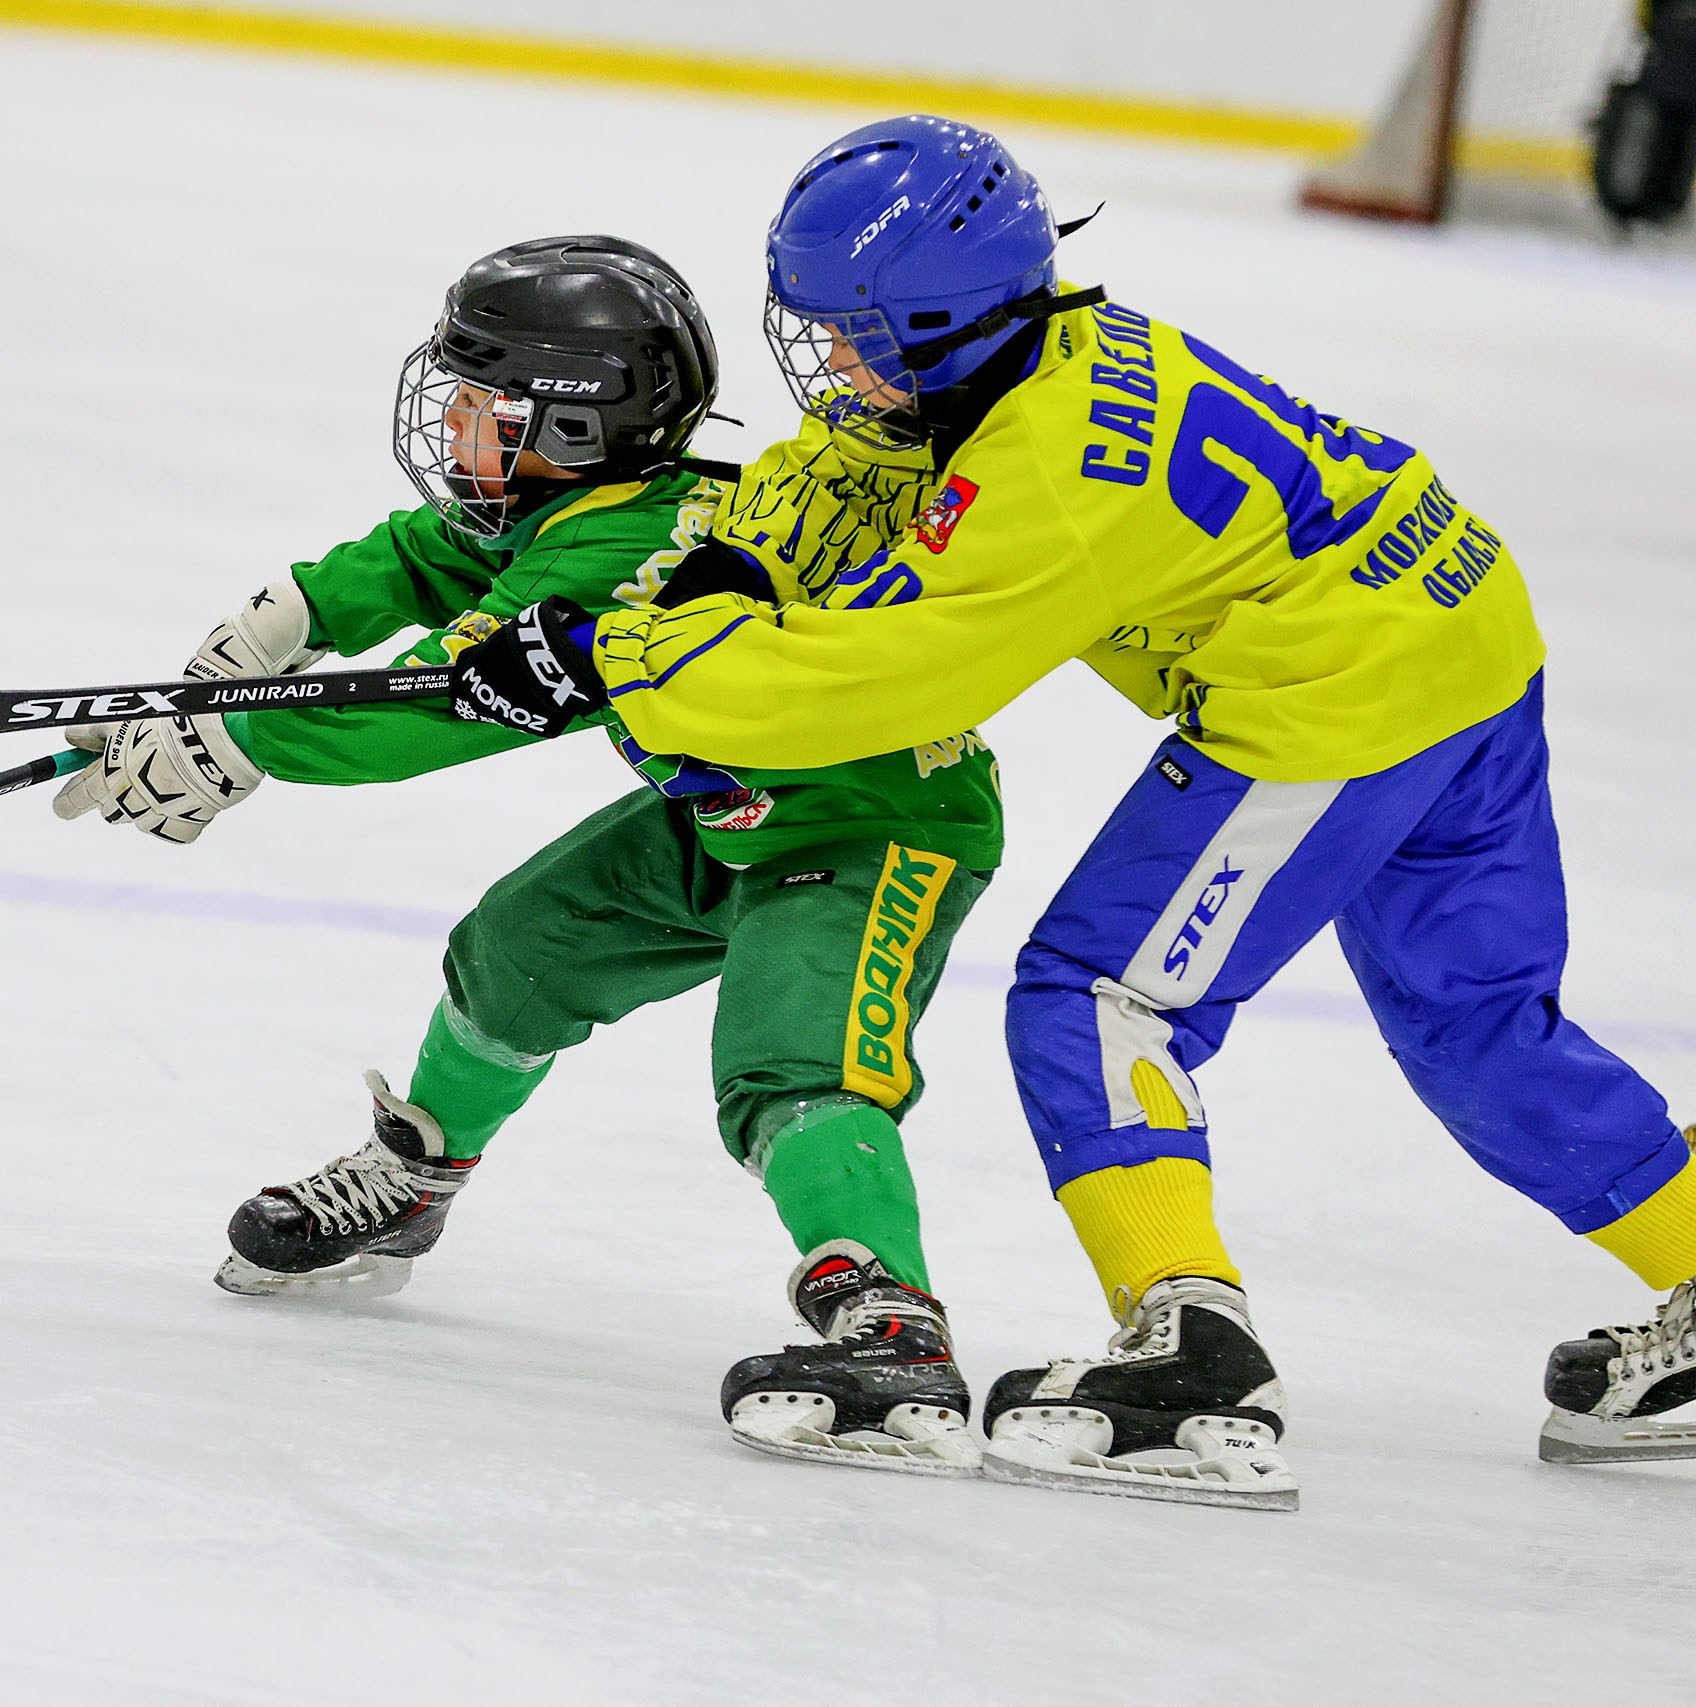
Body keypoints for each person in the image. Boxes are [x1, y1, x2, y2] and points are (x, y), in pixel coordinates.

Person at [443, 115, 1696, 1508]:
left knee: (1096, 996)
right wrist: (720, 560)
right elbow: (858, 471)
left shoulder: (1047, 481)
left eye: (854, 335)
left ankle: (1197, 1347)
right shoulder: (1029, 356)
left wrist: (615, 658)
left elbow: (860, 685)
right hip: (1459, 616)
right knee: (1478, 1023)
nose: (828, 365)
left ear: (937, 323)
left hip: (1346, 691)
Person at [55, 235, 1007, 1473]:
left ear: (568, 426)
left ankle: (889, 1322)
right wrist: (285, 617)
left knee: (791, 1061)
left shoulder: (622, 549)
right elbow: (421, 559)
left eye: (477, 408)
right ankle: (413, 1181)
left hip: (877, 824)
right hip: (730, 813)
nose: (449, 427)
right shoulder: (576, 505)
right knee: (520, 949)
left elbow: (450, 698)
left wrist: (242, 749)